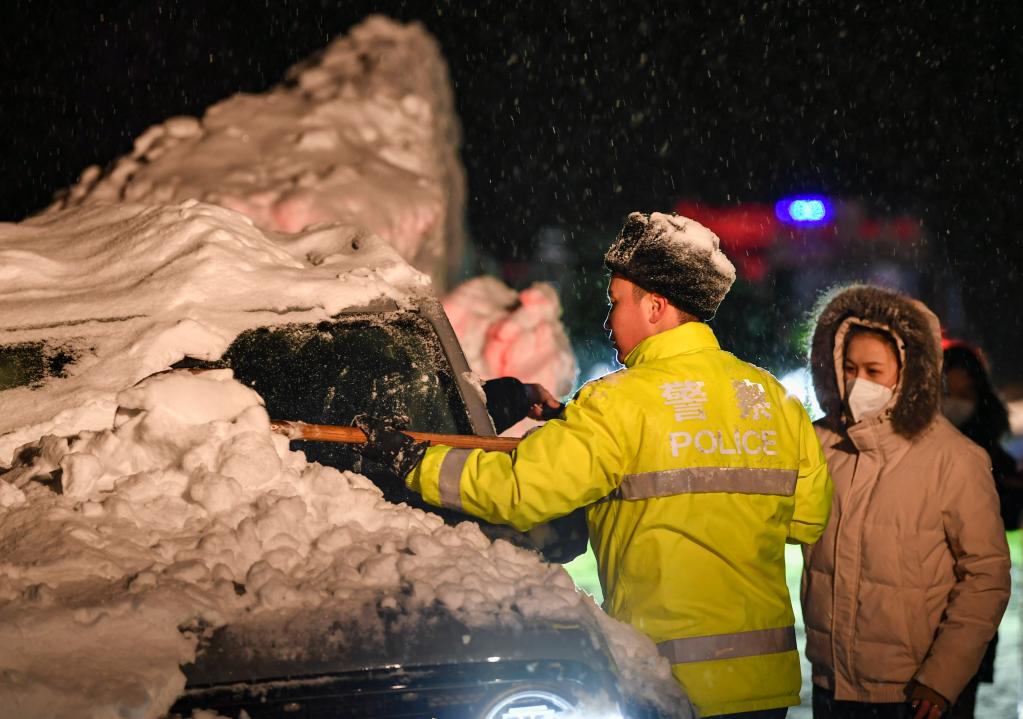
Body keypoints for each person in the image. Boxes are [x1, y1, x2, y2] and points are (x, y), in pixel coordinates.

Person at [355, 211, 833, 718]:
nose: (608, 321)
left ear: (655, 306)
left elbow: (519, 492)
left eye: (615, 304)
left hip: (670, 682)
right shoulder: (771, 398)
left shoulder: (618, 402)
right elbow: (808, 518)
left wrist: (414, 463)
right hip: (765, 685)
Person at [802, 285, 1011, 719]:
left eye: (874, 371)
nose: (858, 382)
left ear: (909, 371)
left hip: (913, 696)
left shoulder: (955, 460)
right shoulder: (818, 445)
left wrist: (942, 677)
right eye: (849, 367)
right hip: (832, 686)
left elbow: (985, 577)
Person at [940, 341, 1022, 718]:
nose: (954, 403)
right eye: (945, 392)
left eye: (965, 394)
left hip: (966, 619)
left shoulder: (994, 460)